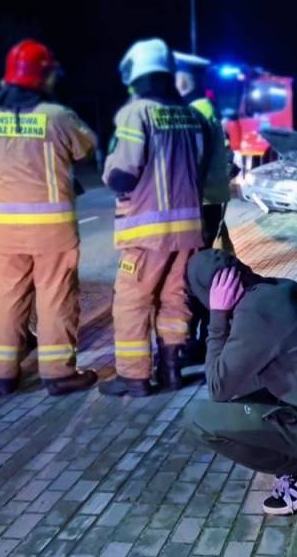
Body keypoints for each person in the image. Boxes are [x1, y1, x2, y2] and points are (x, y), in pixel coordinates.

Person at [0, 39, 97, 396]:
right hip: (53, 231)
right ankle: (58, 374)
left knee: (9, 299)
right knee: (55, 299)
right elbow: (87, 152)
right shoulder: (57, 117)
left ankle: (4, 376)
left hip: (6, 229)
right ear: (43, 76)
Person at [182, 249, 297, 515]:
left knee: (198, 418)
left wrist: (218, 316)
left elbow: (217, 387)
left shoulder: (255, 313)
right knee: (239, 390)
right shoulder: (276, 290)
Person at [98, 38, 206, 397]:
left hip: (147, 232)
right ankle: (171, 372)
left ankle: (134, 378)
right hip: (188, 231)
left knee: (132, 302)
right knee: (175, 299)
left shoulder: (136, 112)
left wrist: (108, 169)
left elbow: (122, 174)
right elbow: (200, 166)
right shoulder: (190, 115)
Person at [174, 52, 237, 365]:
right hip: (211, 203)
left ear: (186, 79)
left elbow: (193, 164)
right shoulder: (208, 108)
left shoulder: (195, 112)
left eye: (177, 76)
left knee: (191, 275)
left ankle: (195, 343)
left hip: (199, 204)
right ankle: (203, 338)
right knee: (200, 271)